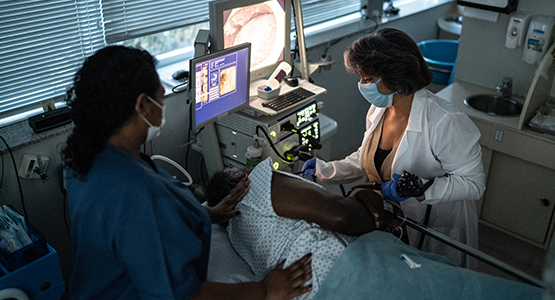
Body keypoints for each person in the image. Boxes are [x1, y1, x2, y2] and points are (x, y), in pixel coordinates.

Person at [62, 45, 312, 300]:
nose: (162, 104)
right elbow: (181, 295)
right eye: (161, 96)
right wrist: (266, 290)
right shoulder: (138, 194)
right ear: (142, 106)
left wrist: (207, 214)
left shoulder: (88, 160)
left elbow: (134, 230)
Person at [301, 28, 486, 268]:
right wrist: (324, 170)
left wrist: (420, 190)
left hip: (434, 225)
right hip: (393, 221)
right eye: (360, 78)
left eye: (368, 79)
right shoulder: (380, 110)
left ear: (396, 76)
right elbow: (366, 158)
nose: (362, 85)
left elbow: (474, 184)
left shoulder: (445, 122)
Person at [204, 157, 397, 300]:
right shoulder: (253, 185)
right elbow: (341, 217)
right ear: (235, 182)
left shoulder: (236, 236)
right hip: (351, 274)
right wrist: (383, 215)